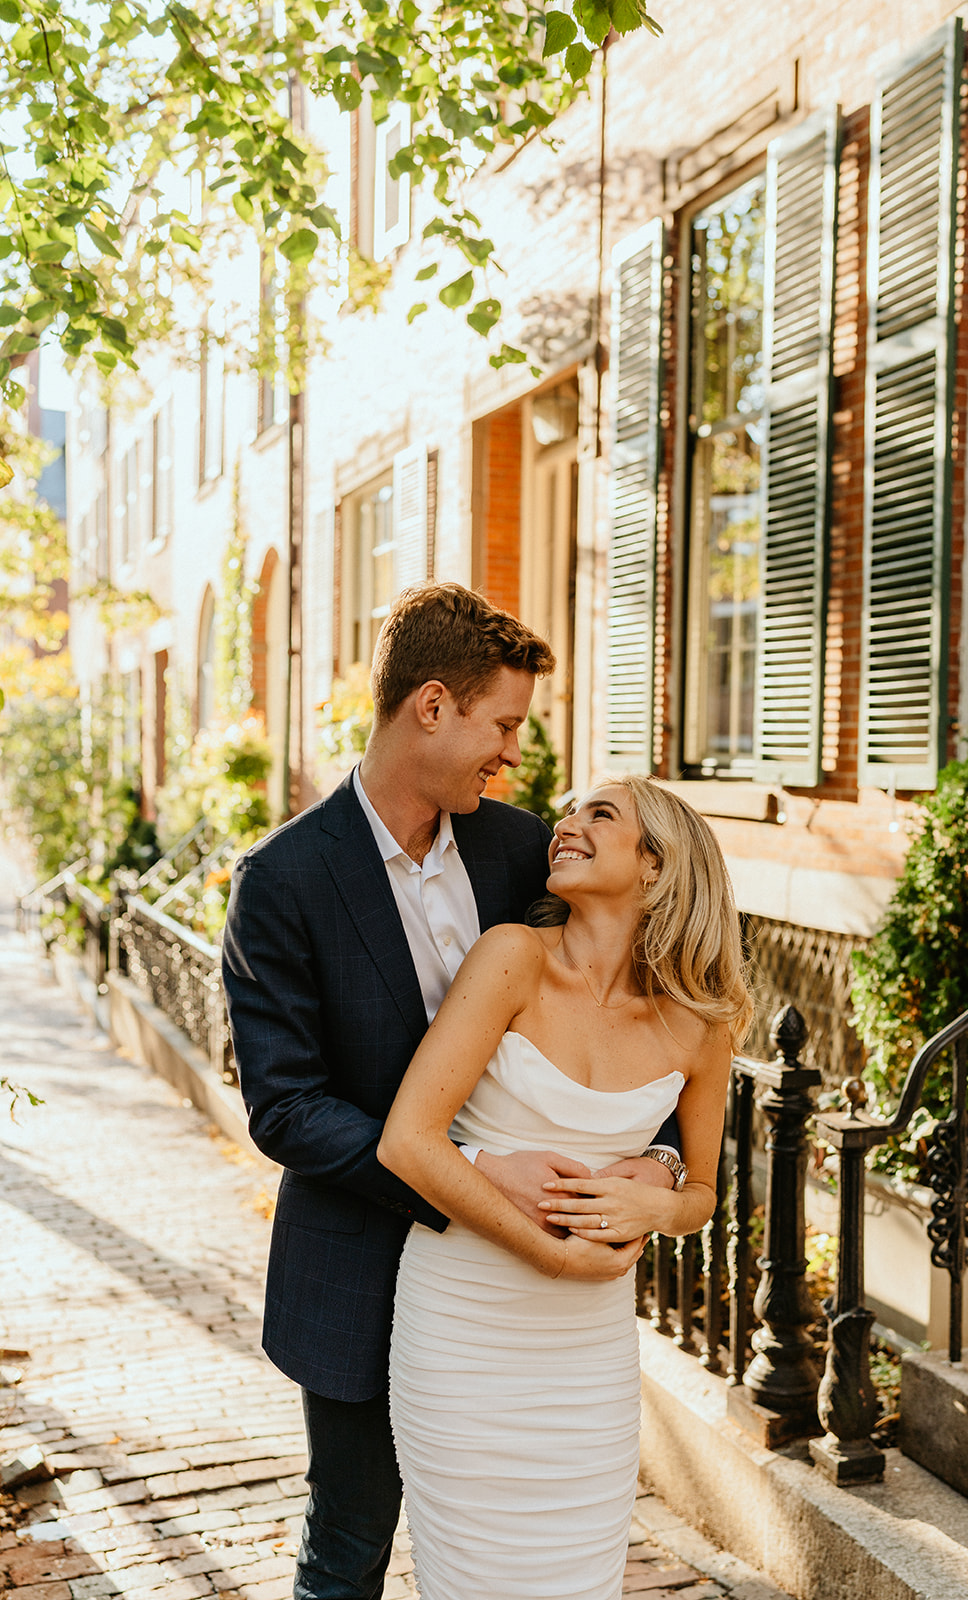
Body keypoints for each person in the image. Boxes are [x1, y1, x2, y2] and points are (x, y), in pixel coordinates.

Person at [221, 583, 680, 1600]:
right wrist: (472, 1170)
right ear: (432, 706)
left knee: (503, 1540)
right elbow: (285, 1106)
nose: (511, 754)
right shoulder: (281, 880)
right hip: (354, 1268)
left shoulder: (524, 851)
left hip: (514, 1299)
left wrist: (660, 1162)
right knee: (350, 1543)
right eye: (503, 725)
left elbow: (641, 1010)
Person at [378, 775, 752, 1600]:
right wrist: (554, 1258)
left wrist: (657, 1199)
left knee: (578, 1573)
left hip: (587, 1356)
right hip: (462, 1327)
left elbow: (700, 1196)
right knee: (470, 1573)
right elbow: (409, 1143)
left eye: (599, 814)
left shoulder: (701, 1021)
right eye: (569, 810)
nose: (566, 824)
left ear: (655, 868)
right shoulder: (511, 955)